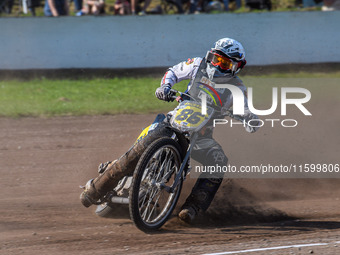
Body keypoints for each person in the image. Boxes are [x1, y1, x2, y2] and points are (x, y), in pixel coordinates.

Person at [80, 38, 260, 223]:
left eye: (225, 63)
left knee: (218, 160)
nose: (218, 65)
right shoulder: (198, 64)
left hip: (201, 137)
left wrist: (250, 119)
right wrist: (165, 86)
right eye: (216, 59)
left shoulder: (237, 87)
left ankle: (193, 208)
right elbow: (174, 71)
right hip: (172, 123)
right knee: (137, 151)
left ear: (237, 66)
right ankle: (96, 189)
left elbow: (243, 108)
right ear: (210, 56)